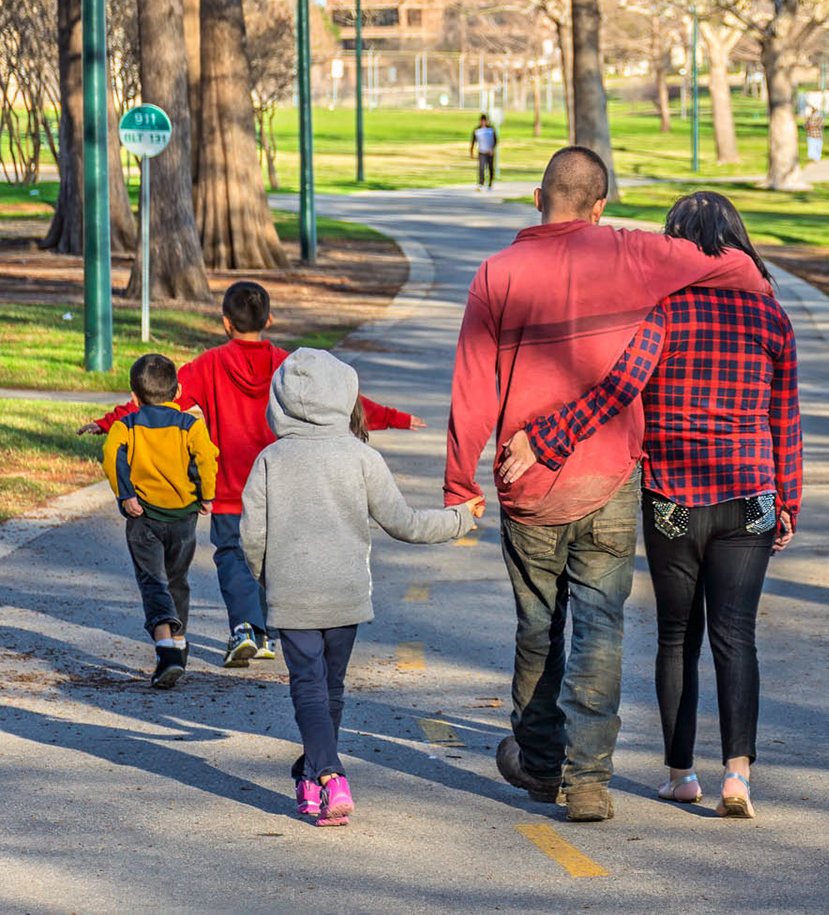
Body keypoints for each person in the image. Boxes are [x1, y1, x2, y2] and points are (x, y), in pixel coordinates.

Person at [444, 146, 771, 824]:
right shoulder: (631, 252)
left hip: (527, 480)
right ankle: (589, 779)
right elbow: (735, 264)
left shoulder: (496, 273)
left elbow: (473, 388)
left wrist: (458, 483)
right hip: (612, 478)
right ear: (600, 205)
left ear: (537, 199)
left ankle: (540, 764)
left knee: (540, 627)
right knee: (602, 629)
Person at [85, 281, 421, 669]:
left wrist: (108, 422)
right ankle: (266, 627)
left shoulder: (209, 365)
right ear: (270, 319)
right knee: (274, 554)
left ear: (226, 323)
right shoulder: (288, 365)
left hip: (229, 488)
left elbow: (156, 403)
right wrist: (394, 418)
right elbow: (343, 401)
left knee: (233, 556)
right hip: (284, 482)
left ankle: (247, 628)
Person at [243, 349, 480, 826]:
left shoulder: (270, 459)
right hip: (345, 593)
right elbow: (405, 523)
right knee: (330, 689)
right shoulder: (361, 457)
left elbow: (251, 535)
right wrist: (459, 519)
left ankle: (319, 774)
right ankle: (321, 778)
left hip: (292, 595)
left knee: (308, 687)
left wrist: (267, 578)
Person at [103, 353, 218, 689]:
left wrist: (126, 495)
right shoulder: (191, 425)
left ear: (134, 396)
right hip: (183, 517)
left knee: (153, 581)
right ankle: (178, 644)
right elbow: (207, 459)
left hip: (143, 517)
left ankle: (166, 650)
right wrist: (206, 495)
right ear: (178, 390)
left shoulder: (126, 425)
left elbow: (112, 457)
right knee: (177, 578)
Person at [471, 114, 499, 190]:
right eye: (482, 121)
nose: (483, 122)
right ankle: (481, 182)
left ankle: (490, 183)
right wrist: (471, 151)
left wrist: (492, 149)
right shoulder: (477, 130)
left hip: (489, 152)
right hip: (481, 151)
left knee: (490, 168)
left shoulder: (491, 129)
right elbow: (473, 141)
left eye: (485, 121)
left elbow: (495, 140)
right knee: (481, 168)